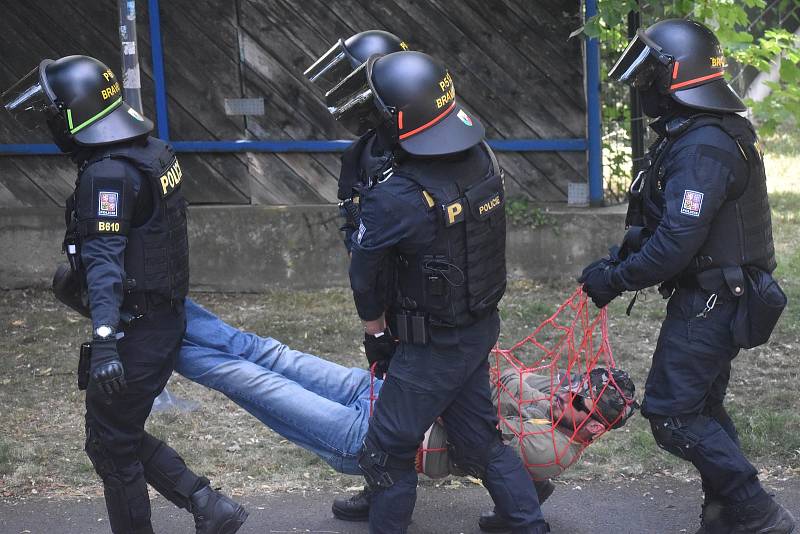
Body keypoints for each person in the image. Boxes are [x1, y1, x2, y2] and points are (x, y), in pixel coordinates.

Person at [2, 56, 248, 534]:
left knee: (112, 447)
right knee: (113, 436)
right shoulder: (150, 150)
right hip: (157, 318)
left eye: (53, 114)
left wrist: (107, 342)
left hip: (135, 329)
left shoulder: (107, 175)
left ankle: (204, 503)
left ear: (75, 116)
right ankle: (208, 504)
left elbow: (105, 261)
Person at [308, 47, 546, 534]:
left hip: (430, 342)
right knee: (477, 438)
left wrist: (374, 330)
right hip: (476, 323)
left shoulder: (395, 195)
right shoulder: (480, 155)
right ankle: (525, 522)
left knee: (386, 448)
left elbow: (363, 275)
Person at [579, 19, 795, 534]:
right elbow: (669, 225)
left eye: (649, 73)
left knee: (673, 416)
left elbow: (676, 245)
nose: (642, 85)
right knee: (702, 406)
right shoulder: (706, 130)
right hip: (716, 292)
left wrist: (616, 278)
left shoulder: (704, 147)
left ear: (675, 77)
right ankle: (725, 516)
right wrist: (617, 261)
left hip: (715, 300)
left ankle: (757, 510)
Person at [172, 299, 636, 532]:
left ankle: (156, 345)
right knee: (268, 352)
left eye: (577, 397)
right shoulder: (555, 408)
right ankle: (168, 310)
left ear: (594, 425)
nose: (565, 391)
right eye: (575, 384)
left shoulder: (550, 448)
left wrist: (475, 357)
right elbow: (508, 382)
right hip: (381, 391)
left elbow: (486, 408)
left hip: (374, 437)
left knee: (248, 380)